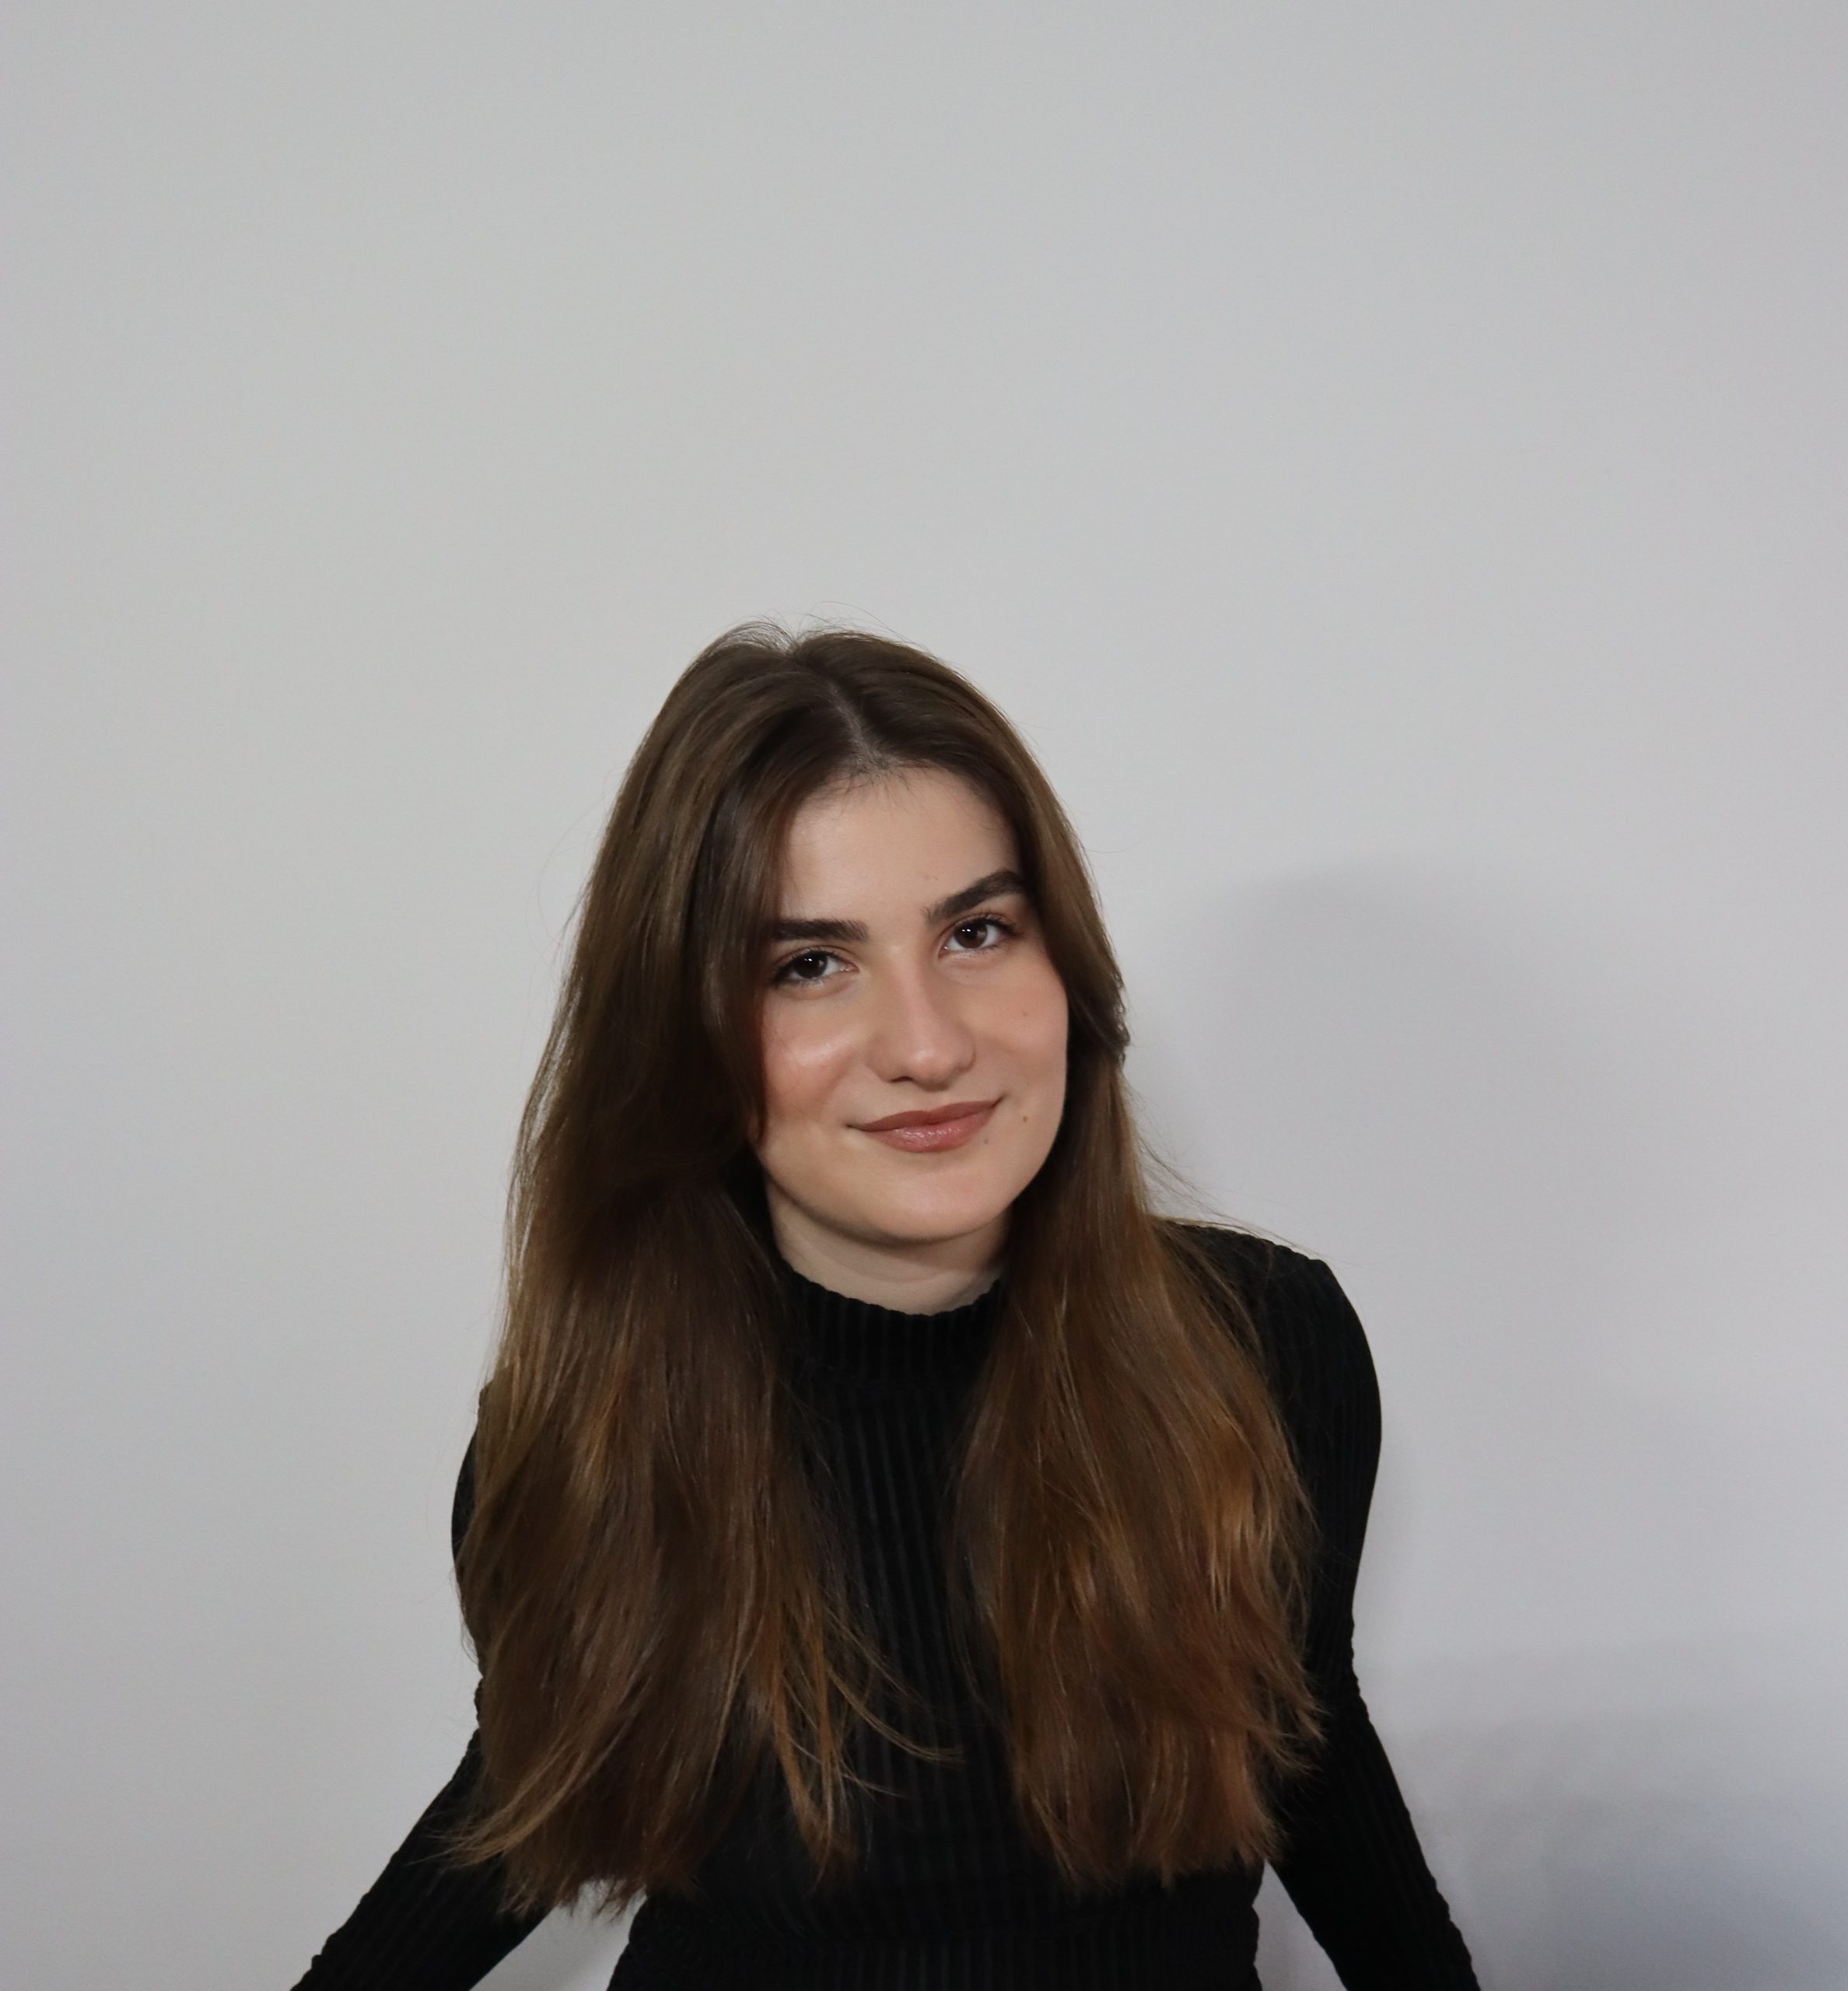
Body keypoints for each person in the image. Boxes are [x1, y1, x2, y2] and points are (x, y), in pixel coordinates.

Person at [292, 624, 1479, 1989]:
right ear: (682, 1037)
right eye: (809, 964)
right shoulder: (590, 1434)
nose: (928, 1045)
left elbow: (1309, 1746)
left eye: (978, 932)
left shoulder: (1266, 1348)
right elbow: (523, 1794)